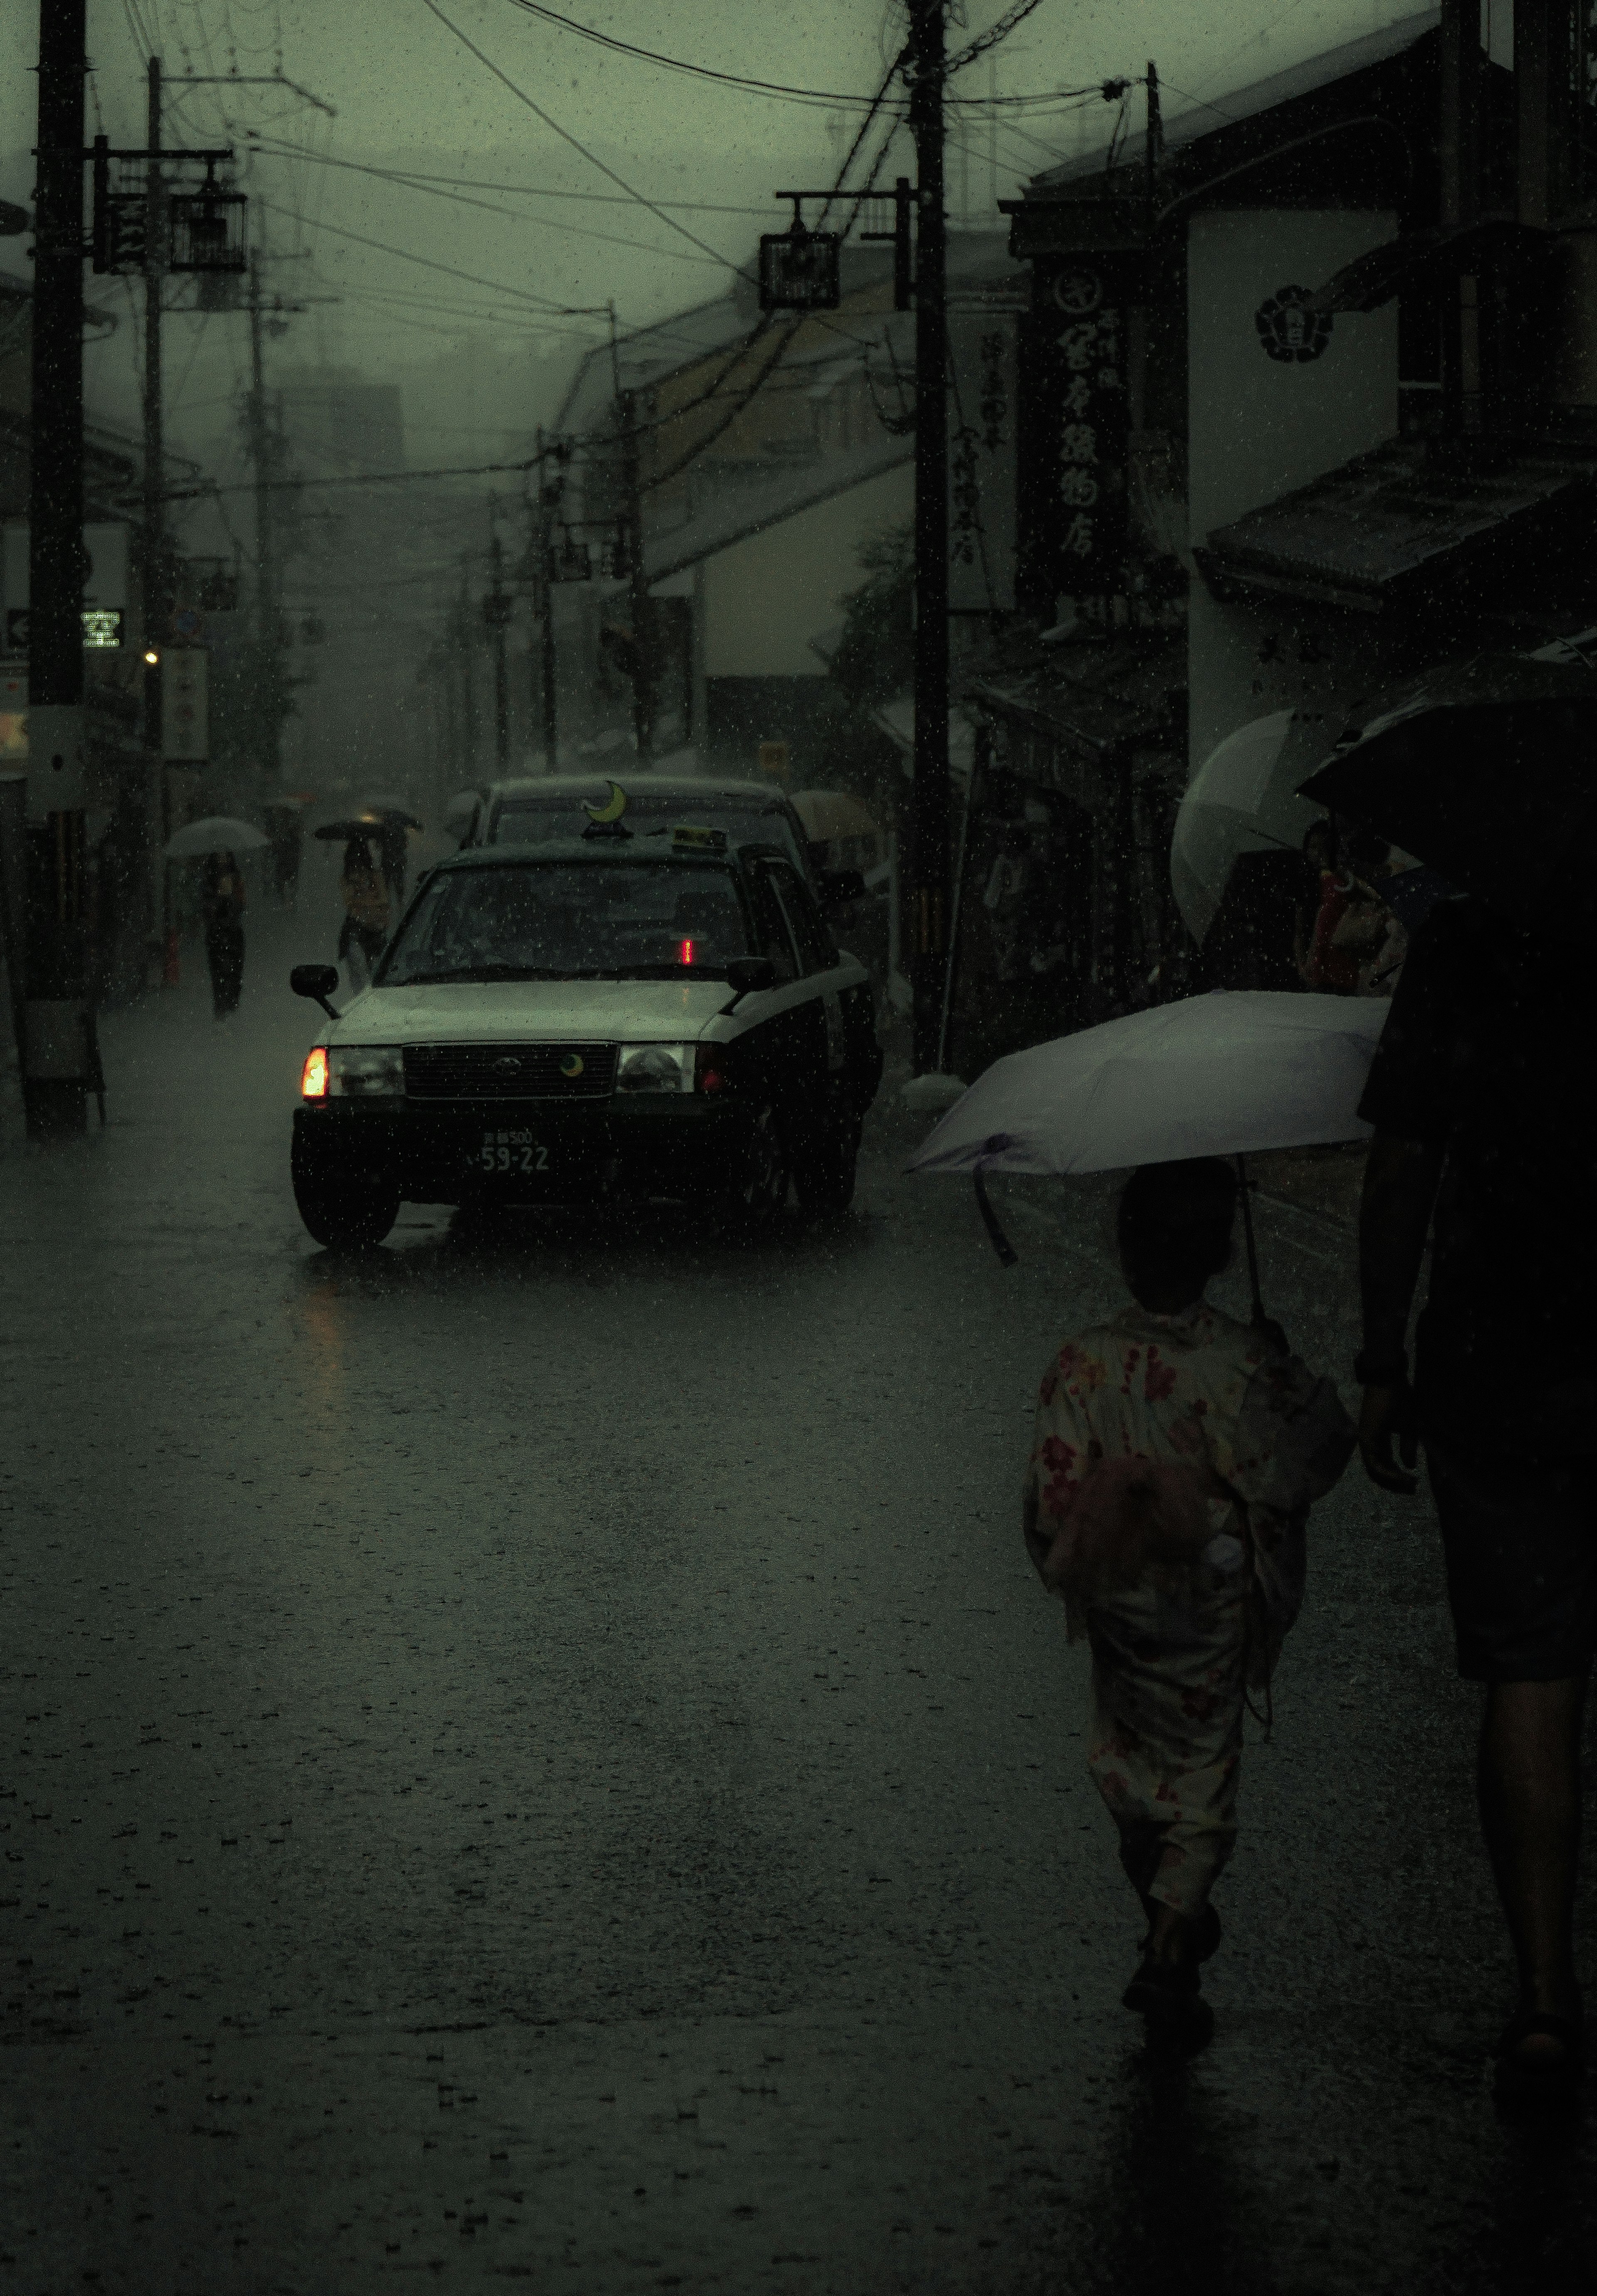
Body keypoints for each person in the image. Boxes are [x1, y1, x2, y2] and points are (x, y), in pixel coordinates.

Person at [1022, 1160, 1353, 2046]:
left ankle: (1162, 1898)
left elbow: (1051, 1500)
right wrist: (1279, 1369)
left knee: (1131, 1757)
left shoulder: (1084, 1363)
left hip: (1126, 1596)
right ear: (1215, 1256)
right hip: (1209, 1590)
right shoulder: (1242, 1361)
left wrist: (1089, 1554)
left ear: (1127, 1252)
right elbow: (1310, 1461)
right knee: (1204, 1765)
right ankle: (1171, 1943)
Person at [1355, 891, 1595, 2113]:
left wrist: (1378, 1350)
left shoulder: (1467, 929)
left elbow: (1403, 1155)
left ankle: (1545, 1992)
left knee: (1531, 1668)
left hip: (1498, 1358)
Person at [338, 835, 391, 984]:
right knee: (362, 971)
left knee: (373, 971)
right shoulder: (348, 880)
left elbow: (383, 903)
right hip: (360, 929)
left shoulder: (375, 877)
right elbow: (353, 905)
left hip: (373, 929)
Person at [200, 849, 246, 1018]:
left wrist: (231, 897)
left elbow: (241, 904)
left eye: (225, 856)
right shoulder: (208, 879)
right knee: (217, 969)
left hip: (233, 930)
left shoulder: (235, 877)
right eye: (219, 857)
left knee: (235, 967)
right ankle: (220, 1003)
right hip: (215, 931)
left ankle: (232, 1000)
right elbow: (205, 907)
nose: (222, 861)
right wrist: (217, 898)